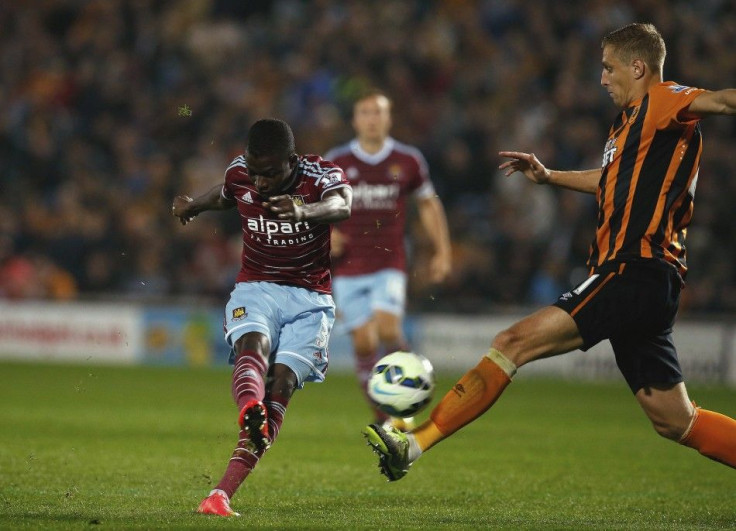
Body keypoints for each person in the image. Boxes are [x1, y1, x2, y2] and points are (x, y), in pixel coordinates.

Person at [363, 22, 736, 481]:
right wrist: (549, 175)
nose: (602, 79)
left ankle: (413, 444)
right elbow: (611, 183)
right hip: (653, 280)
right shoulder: (630, 127)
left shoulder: (663, 100)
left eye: (608, 68)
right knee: (676, 421)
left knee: (509, 344)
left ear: (639, 68)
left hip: (633, 269)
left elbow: (722, 100)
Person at [172, 118, 351, 515]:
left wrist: (304, 210)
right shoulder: (241, 172)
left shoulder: (320, 175)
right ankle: (250, 406)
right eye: (255, 172)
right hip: (257, 287)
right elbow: (228, 194)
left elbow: (343, 205)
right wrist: (193, 206)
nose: (261, 182)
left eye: (269, 174)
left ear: (292, 160)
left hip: (311, 300)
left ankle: (219, 495)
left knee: (283, 383)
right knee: (253, 345)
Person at [324, 89, 452, 430]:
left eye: (378, 112)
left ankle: (412, 385)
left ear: (388, 118)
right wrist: (326, 234)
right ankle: (387, 414)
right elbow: (313, 208)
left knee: (388, 327)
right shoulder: (336, 161)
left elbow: (428, 204)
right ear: (355, 120)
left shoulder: (407, 160)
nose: (372, 118)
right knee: (365, 341)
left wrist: (442, 250)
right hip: (348, 267)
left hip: (389, 261)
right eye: (365, 112)